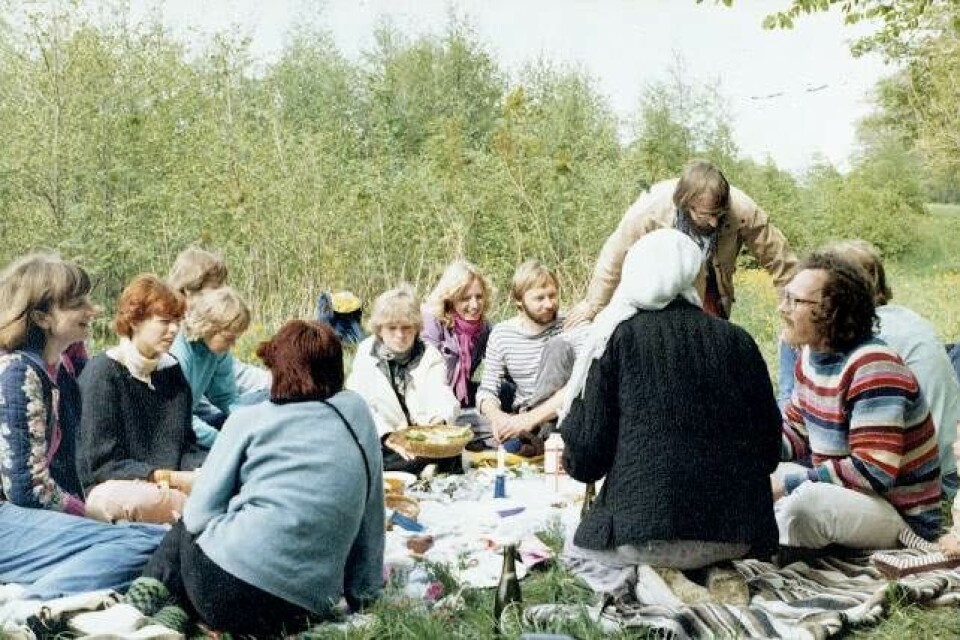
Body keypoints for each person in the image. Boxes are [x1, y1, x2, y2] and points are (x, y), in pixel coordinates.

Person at [122, 320, 384, 636]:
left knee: (187, 526)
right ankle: (181, 617)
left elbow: (199, 514)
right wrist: (364, 596)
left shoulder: (248, 417)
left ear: (277, 368)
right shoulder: (355, 412)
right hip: (300, 607)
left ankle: (138, 607)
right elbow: (371, 511)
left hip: (220, 591)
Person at [560, 229, 780, 603]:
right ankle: (712, 569)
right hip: (738, 536)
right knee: (698, 542)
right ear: (694, 275)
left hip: (643, 537)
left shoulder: (616, 338)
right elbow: (770, 449)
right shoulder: (738, 340)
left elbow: (586, 458)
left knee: (574, 550)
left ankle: (658, 577)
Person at [0, 253, 165, 600]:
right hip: (9, 519)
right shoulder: (17, 373)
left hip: (20, 521)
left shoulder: (56, 367)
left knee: (152, 538)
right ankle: (28, 607)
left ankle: (33, 590)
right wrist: (88, 513)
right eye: (78, 304)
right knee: (144, 541)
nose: (93, 310)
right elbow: (27, 490)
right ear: (41, 316)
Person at [775, 252, 942, 551]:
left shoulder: (873, 366)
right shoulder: (810, 357)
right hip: (850, 496)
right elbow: (797, 433)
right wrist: (742, 452)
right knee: (754, 478)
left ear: (833, 312)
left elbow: (872, 471)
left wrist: (785, 487)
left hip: (899, 515)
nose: (781, 308)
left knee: (804, 505)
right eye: (785, 297)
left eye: (794, 301)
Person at [565, 159, 796, 328]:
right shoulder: (651, 208)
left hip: (710, 290)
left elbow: (781, 261)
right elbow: (615, 255)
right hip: (659, 289)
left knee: (709, 349)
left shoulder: (743, 210)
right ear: (686, 204)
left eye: (719, 213)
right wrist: (593, 305)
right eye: (706, 215)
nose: (715, 223)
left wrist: (795, 312)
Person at [78, 275, 206, 524]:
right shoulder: (103, 373)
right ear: (135, 321)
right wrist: (171, 479)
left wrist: (204, 468)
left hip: (168, 486)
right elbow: (101, 464)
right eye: (164, 322)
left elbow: (186, 443)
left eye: (177, 322)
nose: (174, 330)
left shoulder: (171, 370)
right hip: (118, 487)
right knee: (127, 501)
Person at [347, 285, 460, 473]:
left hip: (422, 438)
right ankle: (422, 470)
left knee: (451, 451)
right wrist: (387, 436)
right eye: (392, 328)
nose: (400, 335)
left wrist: (438, 423)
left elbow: (441, 394)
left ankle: (426, 467)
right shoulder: (366, 353)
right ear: (379, 329)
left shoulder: (429, 354)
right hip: (385, 438)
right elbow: (360, 405)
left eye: (406, 327)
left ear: (416, 328)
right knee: (367, 455)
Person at [476, 260, 585, 454]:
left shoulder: (572, 325)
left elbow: (579, 386)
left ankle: (534, 438)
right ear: (519, 300)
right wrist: (499, 418)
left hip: (564, 415)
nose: (549, 304)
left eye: (553, 295)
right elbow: (487, 390)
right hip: (521, 416)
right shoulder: (502, 334)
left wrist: (529, 419)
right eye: (540, 298)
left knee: (558, 346)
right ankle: (530, 441)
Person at [166, 246, 271, 397]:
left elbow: (227, 384)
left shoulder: (209, 340)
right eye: (215, 289)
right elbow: (177, 409)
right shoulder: (171, 340)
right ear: (187, 292)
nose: (222, 294)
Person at [170, 286, 252, 449]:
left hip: (188, 420)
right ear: (208, 326)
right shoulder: (178, 353)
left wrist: (250, 424)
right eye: (229, 338)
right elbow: (178, 418)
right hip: (167, 427)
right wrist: (224, 443)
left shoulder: (218, 351)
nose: (233, 345)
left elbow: (226, 398)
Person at [421, 260, 493, 408]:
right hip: (430, 397)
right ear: (450, 298)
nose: (474, 305)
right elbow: (424, 373)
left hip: (461, 394)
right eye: (465, 298)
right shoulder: (432, 320)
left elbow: (500, 359)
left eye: (479, 297)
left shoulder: (484, 328)